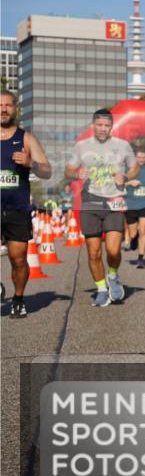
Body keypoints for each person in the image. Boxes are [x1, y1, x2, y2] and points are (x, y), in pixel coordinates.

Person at [66, 108, 139, 307]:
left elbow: (134, 168)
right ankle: (100, 289)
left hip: (114, 201)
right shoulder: (82, 146)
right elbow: (68, 170)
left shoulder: (123, 146)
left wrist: (125, 176)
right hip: (89, 202)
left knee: (114, 250)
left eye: (107, 126)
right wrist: (76, 174)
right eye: (99, 125)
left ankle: (113, 276)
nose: (103, 129)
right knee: (93, 252)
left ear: (111, 127)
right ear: (93, 126)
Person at [1, 91, 52, 318]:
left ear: (15, 109)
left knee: (18, 258)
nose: (3, 109)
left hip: (17, 209)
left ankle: (18, 299)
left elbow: (47, 171)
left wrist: (31, 163)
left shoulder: (26, 139)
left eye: (8, 105)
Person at [124, 149, 145, 268]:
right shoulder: (128, 169)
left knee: (143, 230)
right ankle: (133, 239)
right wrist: (130, 183)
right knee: (133, 233)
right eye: (139, 157)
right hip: (131, 204)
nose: (141, 160)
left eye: (143, 157)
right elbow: (118, 183)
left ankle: (140, 259)